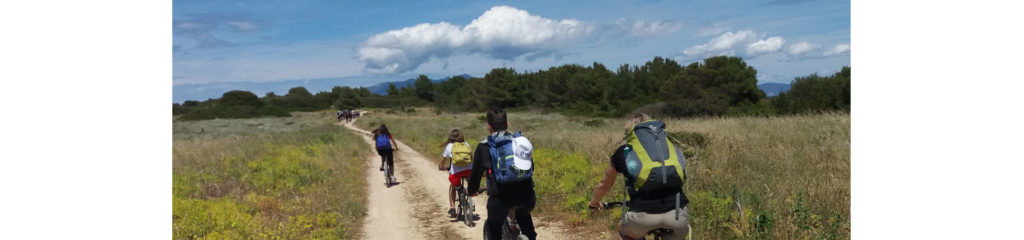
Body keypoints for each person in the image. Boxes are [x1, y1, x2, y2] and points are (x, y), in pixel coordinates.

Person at [588, 113, 690, 240]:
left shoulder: (625, 151)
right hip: (677, 216)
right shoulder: (672, 149)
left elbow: (605, 183)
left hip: (642, 217)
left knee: (622, 229)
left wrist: (594, 202)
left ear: (629, 131)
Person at [468, 108, 537, 240]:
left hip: (500, 200)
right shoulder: (520, 142)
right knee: (525, 217)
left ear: (489, 127)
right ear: (507, 125)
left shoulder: (484, 147)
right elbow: (530, 167)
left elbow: (475, 175)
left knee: (493, 226)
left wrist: (472, 190)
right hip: (527, 197)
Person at [438, 129, 473, 217]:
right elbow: (471, 157)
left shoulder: (449, 146)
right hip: (469, 170)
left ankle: (452, 207)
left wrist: (442, 167)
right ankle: (471, 193)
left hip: (456, 173)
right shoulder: (466, 144)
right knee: (469, 181)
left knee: (453, 186)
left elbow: (443, 159)